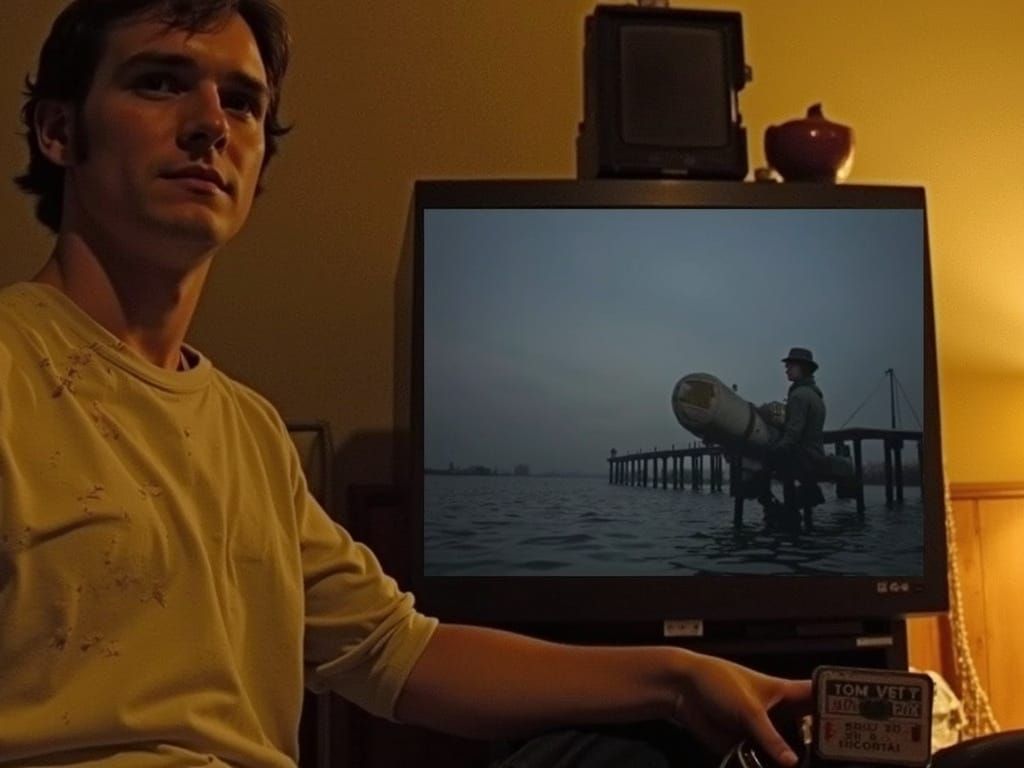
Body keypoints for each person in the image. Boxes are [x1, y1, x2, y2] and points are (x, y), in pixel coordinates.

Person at [0, 2, 810, 766]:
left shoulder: (249, 431)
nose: (211, 124)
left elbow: (395, 650)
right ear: (60, 131)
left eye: (243, 104)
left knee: (642, 754)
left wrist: (677, 676)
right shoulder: (13, 369)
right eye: (159, 82)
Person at [758, 348, 828, 513]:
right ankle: (797, 502)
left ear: (802, 368)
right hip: (815, 452)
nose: (786, 369)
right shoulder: (815, 395)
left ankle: (781, 509)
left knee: (763, 460)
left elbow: (793, 433)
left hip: (804, 456)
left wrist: (775, 449)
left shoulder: (798, 396)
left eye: (790, 366)